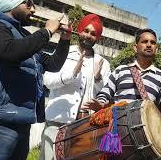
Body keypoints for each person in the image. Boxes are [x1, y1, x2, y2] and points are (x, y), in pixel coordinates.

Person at [0, 0, 71, 160]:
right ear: (12, 3)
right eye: (28, 3)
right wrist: (46, 32)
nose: (33, 10)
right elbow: (10, 52)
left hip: (22, 122)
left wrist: (64, 39)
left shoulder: (26, 38)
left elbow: (54, 64)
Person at [40, 14, 111, 160]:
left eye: (93, 33)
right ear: (79, 31)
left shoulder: (102, 63)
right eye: (86, 31)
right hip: (58, 120)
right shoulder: (64, 51)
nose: (88, 35)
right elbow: (47, 80)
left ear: (98, 38)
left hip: (85, 125)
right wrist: (72, 74)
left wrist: (98, 79)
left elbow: (105, 94)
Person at [82, 28, 161, 123]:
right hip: (115, 126)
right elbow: (105, 92)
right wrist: (100, 103)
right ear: (135, 47)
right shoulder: (120, 70)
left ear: (156, 50)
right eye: (144, 41)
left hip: (144, 132)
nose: (149, 45)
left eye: (153, 43)